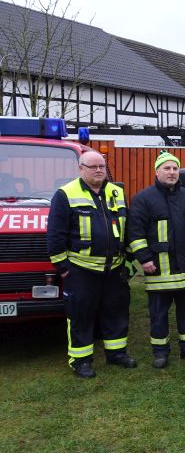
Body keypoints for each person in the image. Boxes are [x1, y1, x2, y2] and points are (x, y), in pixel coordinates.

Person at [47, 150, 135, 378]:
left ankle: (116, 354)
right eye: (93, 166)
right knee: (80, 316)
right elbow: (55, 237)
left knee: (116, 313)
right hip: (81, 270)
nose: (98, 170)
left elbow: (129, 230)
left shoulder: (117, 192)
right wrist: (65, 269)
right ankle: (81, 360)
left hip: (114, 268)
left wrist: (129, 262)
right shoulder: (65, 194)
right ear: (81, 168)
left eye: (102, 166)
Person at [127, 151, 185, 368]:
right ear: (157, 171)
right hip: (158, 269)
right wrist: (144, 258)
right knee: (158, 314)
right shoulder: (143, 199)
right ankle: (160, 352)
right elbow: (135, 233)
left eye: (175, 168)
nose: (172, 172)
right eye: (167, 168)